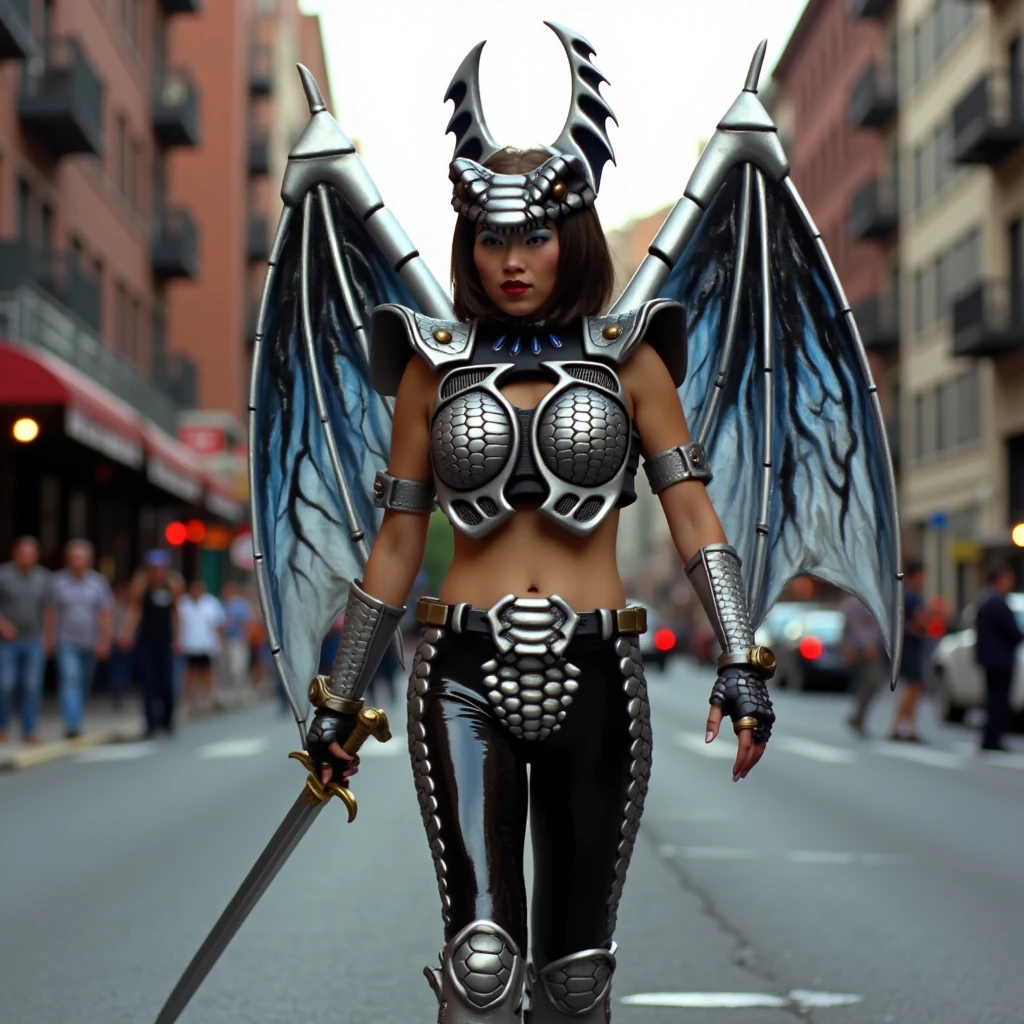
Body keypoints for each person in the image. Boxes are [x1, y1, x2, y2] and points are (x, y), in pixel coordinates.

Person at [172, 30, 899, 1024]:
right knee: (479, 963)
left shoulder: (632, 359)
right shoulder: (427, 365)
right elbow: (394, 546)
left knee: (573, 974)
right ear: (466, 241)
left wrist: (740, 656)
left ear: (574, 235)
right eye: (489, 238)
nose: (511, 261)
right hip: (461, 674)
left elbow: (694, 514)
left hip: (596, 674)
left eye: (534, 237)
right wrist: (339, 697)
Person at [43, 539, 113, 739]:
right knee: (70, 679)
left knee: (83, 682)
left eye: (83, 558)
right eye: (75, 558)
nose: (79, 562)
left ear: (90, 560)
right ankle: (72, 723)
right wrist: (48, 638)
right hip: (66, 640)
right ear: (68, 560)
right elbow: (50, 612)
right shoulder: (57, 582)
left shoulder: (98, 583)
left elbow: (105, 613)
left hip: (90, 641)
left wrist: (105, 640)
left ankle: (77, 717)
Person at [124, 551, 182, 737]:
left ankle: (167, 720)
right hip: (146, 641)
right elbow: (135, 610)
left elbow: (176, 614)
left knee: (166, 682)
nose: (158, 572)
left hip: (165, 641)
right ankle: (150, 722)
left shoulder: (172, 585)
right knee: (148, 682)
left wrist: (178, 638)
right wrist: (126, 632)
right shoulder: (142, 586)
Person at [0, 536, 52, 743]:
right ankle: (3, 725)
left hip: (33, 640)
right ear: (15, 554)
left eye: (31, 554)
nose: (27, 557)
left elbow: (49, 610)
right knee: (5, 684)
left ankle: (29, 729)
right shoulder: (3, 575)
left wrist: (48, 636)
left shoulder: (43, 578)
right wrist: (3, 626)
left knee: (32, 686)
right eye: (23, 553)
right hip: (8, 641)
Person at [974, 563, 1023, 752]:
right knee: (998, 701)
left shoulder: (985, 599)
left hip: (991, 660)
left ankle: (990, 738)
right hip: (1000, 660)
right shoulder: (997, 602)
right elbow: (1012, 631)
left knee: (993, 700)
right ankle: (992, 739)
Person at [890, 561, 929, 742]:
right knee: (915, 686)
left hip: (909, 646)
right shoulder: (911, 597)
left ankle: (910, 729)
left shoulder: (906, 595)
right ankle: (897, 726)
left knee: (914, 688)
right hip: (909, 647)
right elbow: (917, 622)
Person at [177, 578, 225, 711]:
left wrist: (219, 642)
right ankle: (189, 699)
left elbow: (219, 624)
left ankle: (206, 697)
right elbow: (179, 624)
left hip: (206, 644)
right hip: (190, 645)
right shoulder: (183, 604)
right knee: (190, 672)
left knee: (206, 672)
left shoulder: (211, 603)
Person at [841, 593, 884, 738]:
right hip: (861, 649)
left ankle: (858, 717)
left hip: (870, 648)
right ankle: (857, 717)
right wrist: (852, 648)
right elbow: (851, 627)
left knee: (871, 683)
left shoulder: (874, 601)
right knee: (872, 680)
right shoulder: (853, 604)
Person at [221, 582, 254, 698]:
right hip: (228, 640)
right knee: (230, 667)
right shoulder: (225, 605)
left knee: (238, 666)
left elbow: (246, 623)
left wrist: (245, 637)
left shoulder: (240, 605)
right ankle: (235, 689)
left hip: (238, 640)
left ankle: (240, 688)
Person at [108, 582, 135, 711]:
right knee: (116, 670)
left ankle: (121, 692)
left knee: (124, 671)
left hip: (126, 644)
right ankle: (117, 693)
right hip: (115, 643)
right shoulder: (110, 606)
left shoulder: (129, 608)